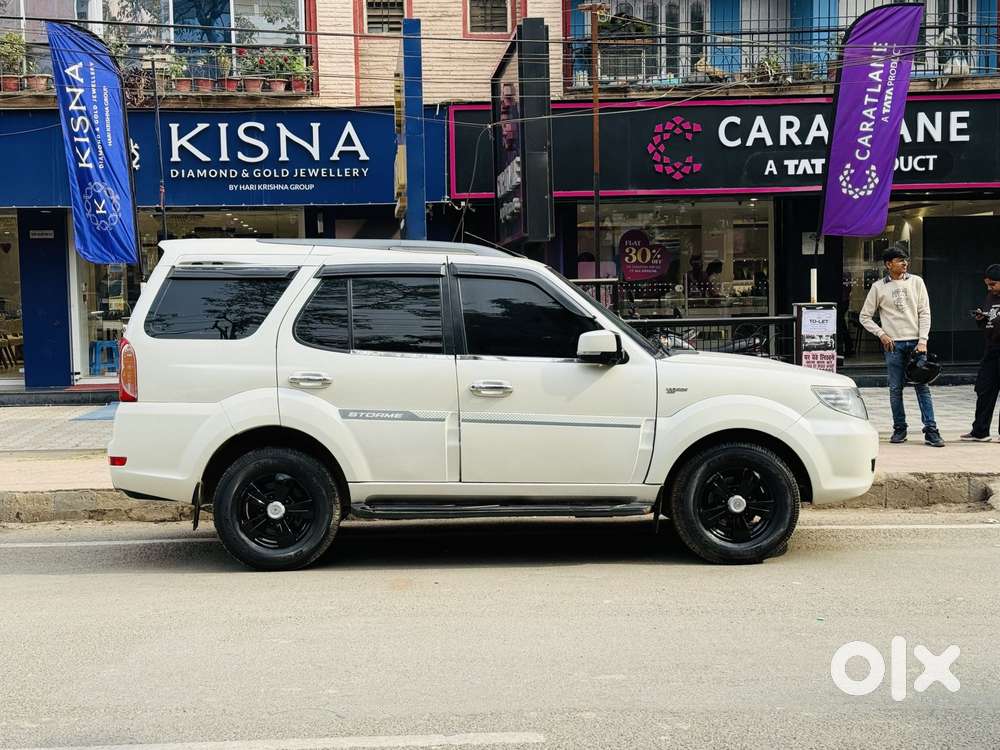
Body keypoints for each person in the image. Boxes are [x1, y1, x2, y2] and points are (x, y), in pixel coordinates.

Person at [859, 243, 944, 447]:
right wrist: (881, 334)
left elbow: (925, 312)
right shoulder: (879, 287)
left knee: (922, 387)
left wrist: (923, 340)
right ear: (889, 264)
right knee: (895, 389)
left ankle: (931, 431)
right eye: (900, 260)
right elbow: (865, 316)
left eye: (906, 260)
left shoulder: (917, 282)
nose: (905, 263)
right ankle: (900, 429)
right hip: (893, 345)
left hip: (916, 343)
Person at [961, 263, 1000, 441]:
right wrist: (981, 318)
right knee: (984, 389)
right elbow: (989, 322)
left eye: (993, 284)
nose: (990, 288)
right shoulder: (990, 297)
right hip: (991, 349)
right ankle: (980, 431)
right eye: (987, 284)